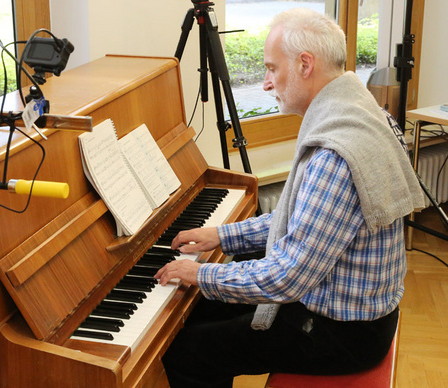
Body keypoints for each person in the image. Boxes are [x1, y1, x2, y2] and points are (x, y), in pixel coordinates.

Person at [154, 8, 425, 388]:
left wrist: (201, 272)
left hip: (344, 333)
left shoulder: (335, 153)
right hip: (354, 307)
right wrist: (221, 237)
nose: (266, 83)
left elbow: (287, 276)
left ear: (304, 64)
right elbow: (298, 219)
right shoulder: (359, 110)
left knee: (188, 351)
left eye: (271, 69)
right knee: (206, 304)